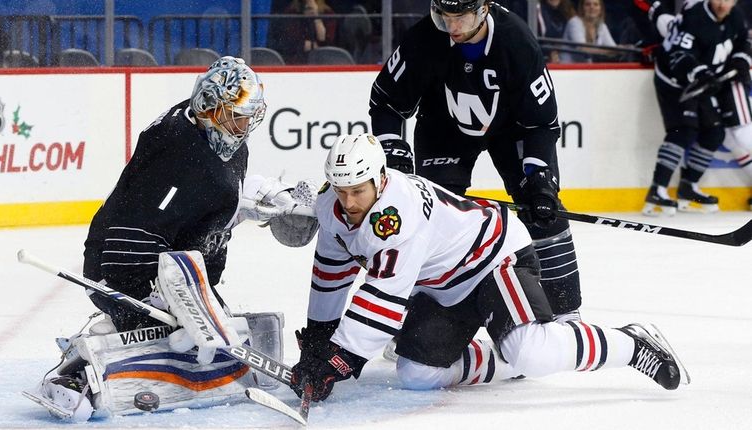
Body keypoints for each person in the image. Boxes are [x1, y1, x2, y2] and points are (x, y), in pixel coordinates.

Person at [24, 56, 319, 420]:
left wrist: (261, 199)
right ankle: (77, 370)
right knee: (165, 335)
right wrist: (165, 299)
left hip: (177, 269)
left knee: (199, 340)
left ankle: (137, 335)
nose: (244, 125)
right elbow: (135, 228)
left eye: (247, 115)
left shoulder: (221, 139)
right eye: (236, 114)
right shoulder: (174, 146)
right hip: (124, 263)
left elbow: (205, 201)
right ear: (209, 108)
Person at [288, 133, 687, 402]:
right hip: (447, 285)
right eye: (341, 191)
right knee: (417, 375)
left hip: (494, 256)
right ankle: (508, 354)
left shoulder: (398, 213)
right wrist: (322, 332)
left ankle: (632, 344)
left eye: (358, 191)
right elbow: (331, 269)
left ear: (380, 178)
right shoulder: (331, 205)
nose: (350, 202)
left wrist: (342, 359)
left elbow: (383, 295)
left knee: (536, 353)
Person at [368, 0, 582, 322]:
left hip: (510, 128)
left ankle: (566, 313)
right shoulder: (425, 37)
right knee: (431, 221)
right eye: (445, 17)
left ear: (482, 10)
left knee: (545, 212)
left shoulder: (516, 40)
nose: (452, 28)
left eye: (461, 18)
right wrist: (394, 151)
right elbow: (386, 101)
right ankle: (417, 317)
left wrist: (540, 177)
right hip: (442, 128)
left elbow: (540, 122)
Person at [640, 0, 752, 215]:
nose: (722, 5)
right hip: (673, 81)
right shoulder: (695, 17)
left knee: (714, 133)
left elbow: (742, 42)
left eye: (727, 0)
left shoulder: (735, 16)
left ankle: (687, 187)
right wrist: (700, 73)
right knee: (683, 131)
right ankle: (657, 190)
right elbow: (679, 55)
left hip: (703, 82)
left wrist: (739, 60)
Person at [274, 0, 337, 64]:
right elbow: (289, 41)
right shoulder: (291, 12)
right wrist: (304, 45)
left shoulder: (328, 13)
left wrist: (316, 16)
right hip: (296, 60)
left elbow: (324, 40)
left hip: (321, 60)